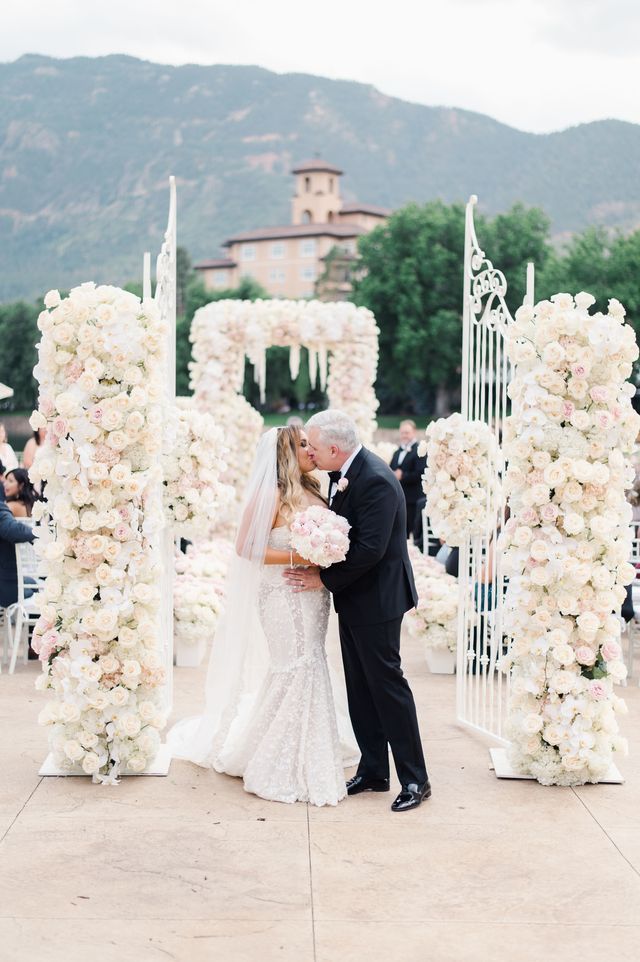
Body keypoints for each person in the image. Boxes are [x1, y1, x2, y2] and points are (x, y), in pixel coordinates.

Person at [168, 424, 356, 806]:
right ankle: (280, 757)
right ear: (287, 452)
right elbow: (246, 548)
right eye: (303, 444)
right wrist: (300, 556)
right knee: (294, 665)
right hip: (281, 594)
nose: (311, 449)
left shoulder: (317, 490)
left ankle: (306, 745)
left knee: (312, 661)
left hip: (312, 596)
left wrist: (323, 559)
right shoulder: (273, 494)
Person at [285, 409, 430, 813]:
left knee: (387, 687)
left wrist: (323, 580)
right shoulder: (346, 472)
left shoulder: (377, 480)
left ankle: (416, 778)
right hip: (356, 599)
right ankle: (373, 769)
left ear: (334, 448)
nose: (309, 452)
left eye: (313, 446)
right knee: (360, 687)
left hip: (379, 601)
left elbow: (371, 549)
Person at [0, 480, 35, 609]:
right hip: (4, 590)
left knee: (31, 582)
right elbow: (14, 531)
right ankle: (22, 621)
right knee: (35, 588)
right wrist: (38, 533)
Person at [390, 420, 426, 538]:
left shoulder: (420, 451)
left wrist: (403, 476)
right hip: (399, 498)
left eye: (407, 432)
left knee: (413, 530)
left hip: (414, 498)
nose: (404, 435)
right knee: (400, 531)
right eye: (402, 433)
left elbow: (421, 473)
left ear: (414, 432)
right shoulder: (397, 452)